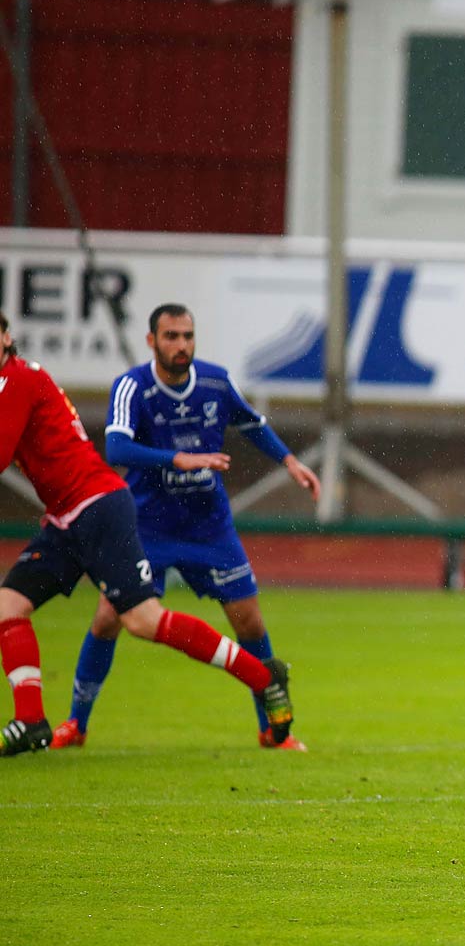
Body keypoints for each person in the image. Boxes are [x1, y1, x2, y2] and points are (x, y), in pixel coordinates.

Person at [0, 312, 294, 756]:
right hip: (80, 516)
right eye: (171, 335)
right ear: (152, 340)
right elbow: (114, 445)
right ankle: (34, 722)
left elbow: (2, 452)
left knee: (147, 621)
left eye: (187, 335)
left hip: (109, 509)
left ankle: (263, 677)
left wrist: (289, 461)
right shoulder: (127, 384)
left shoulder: (17, 380)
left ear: (6, 338)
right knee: (12, 609)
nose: (181, 343)